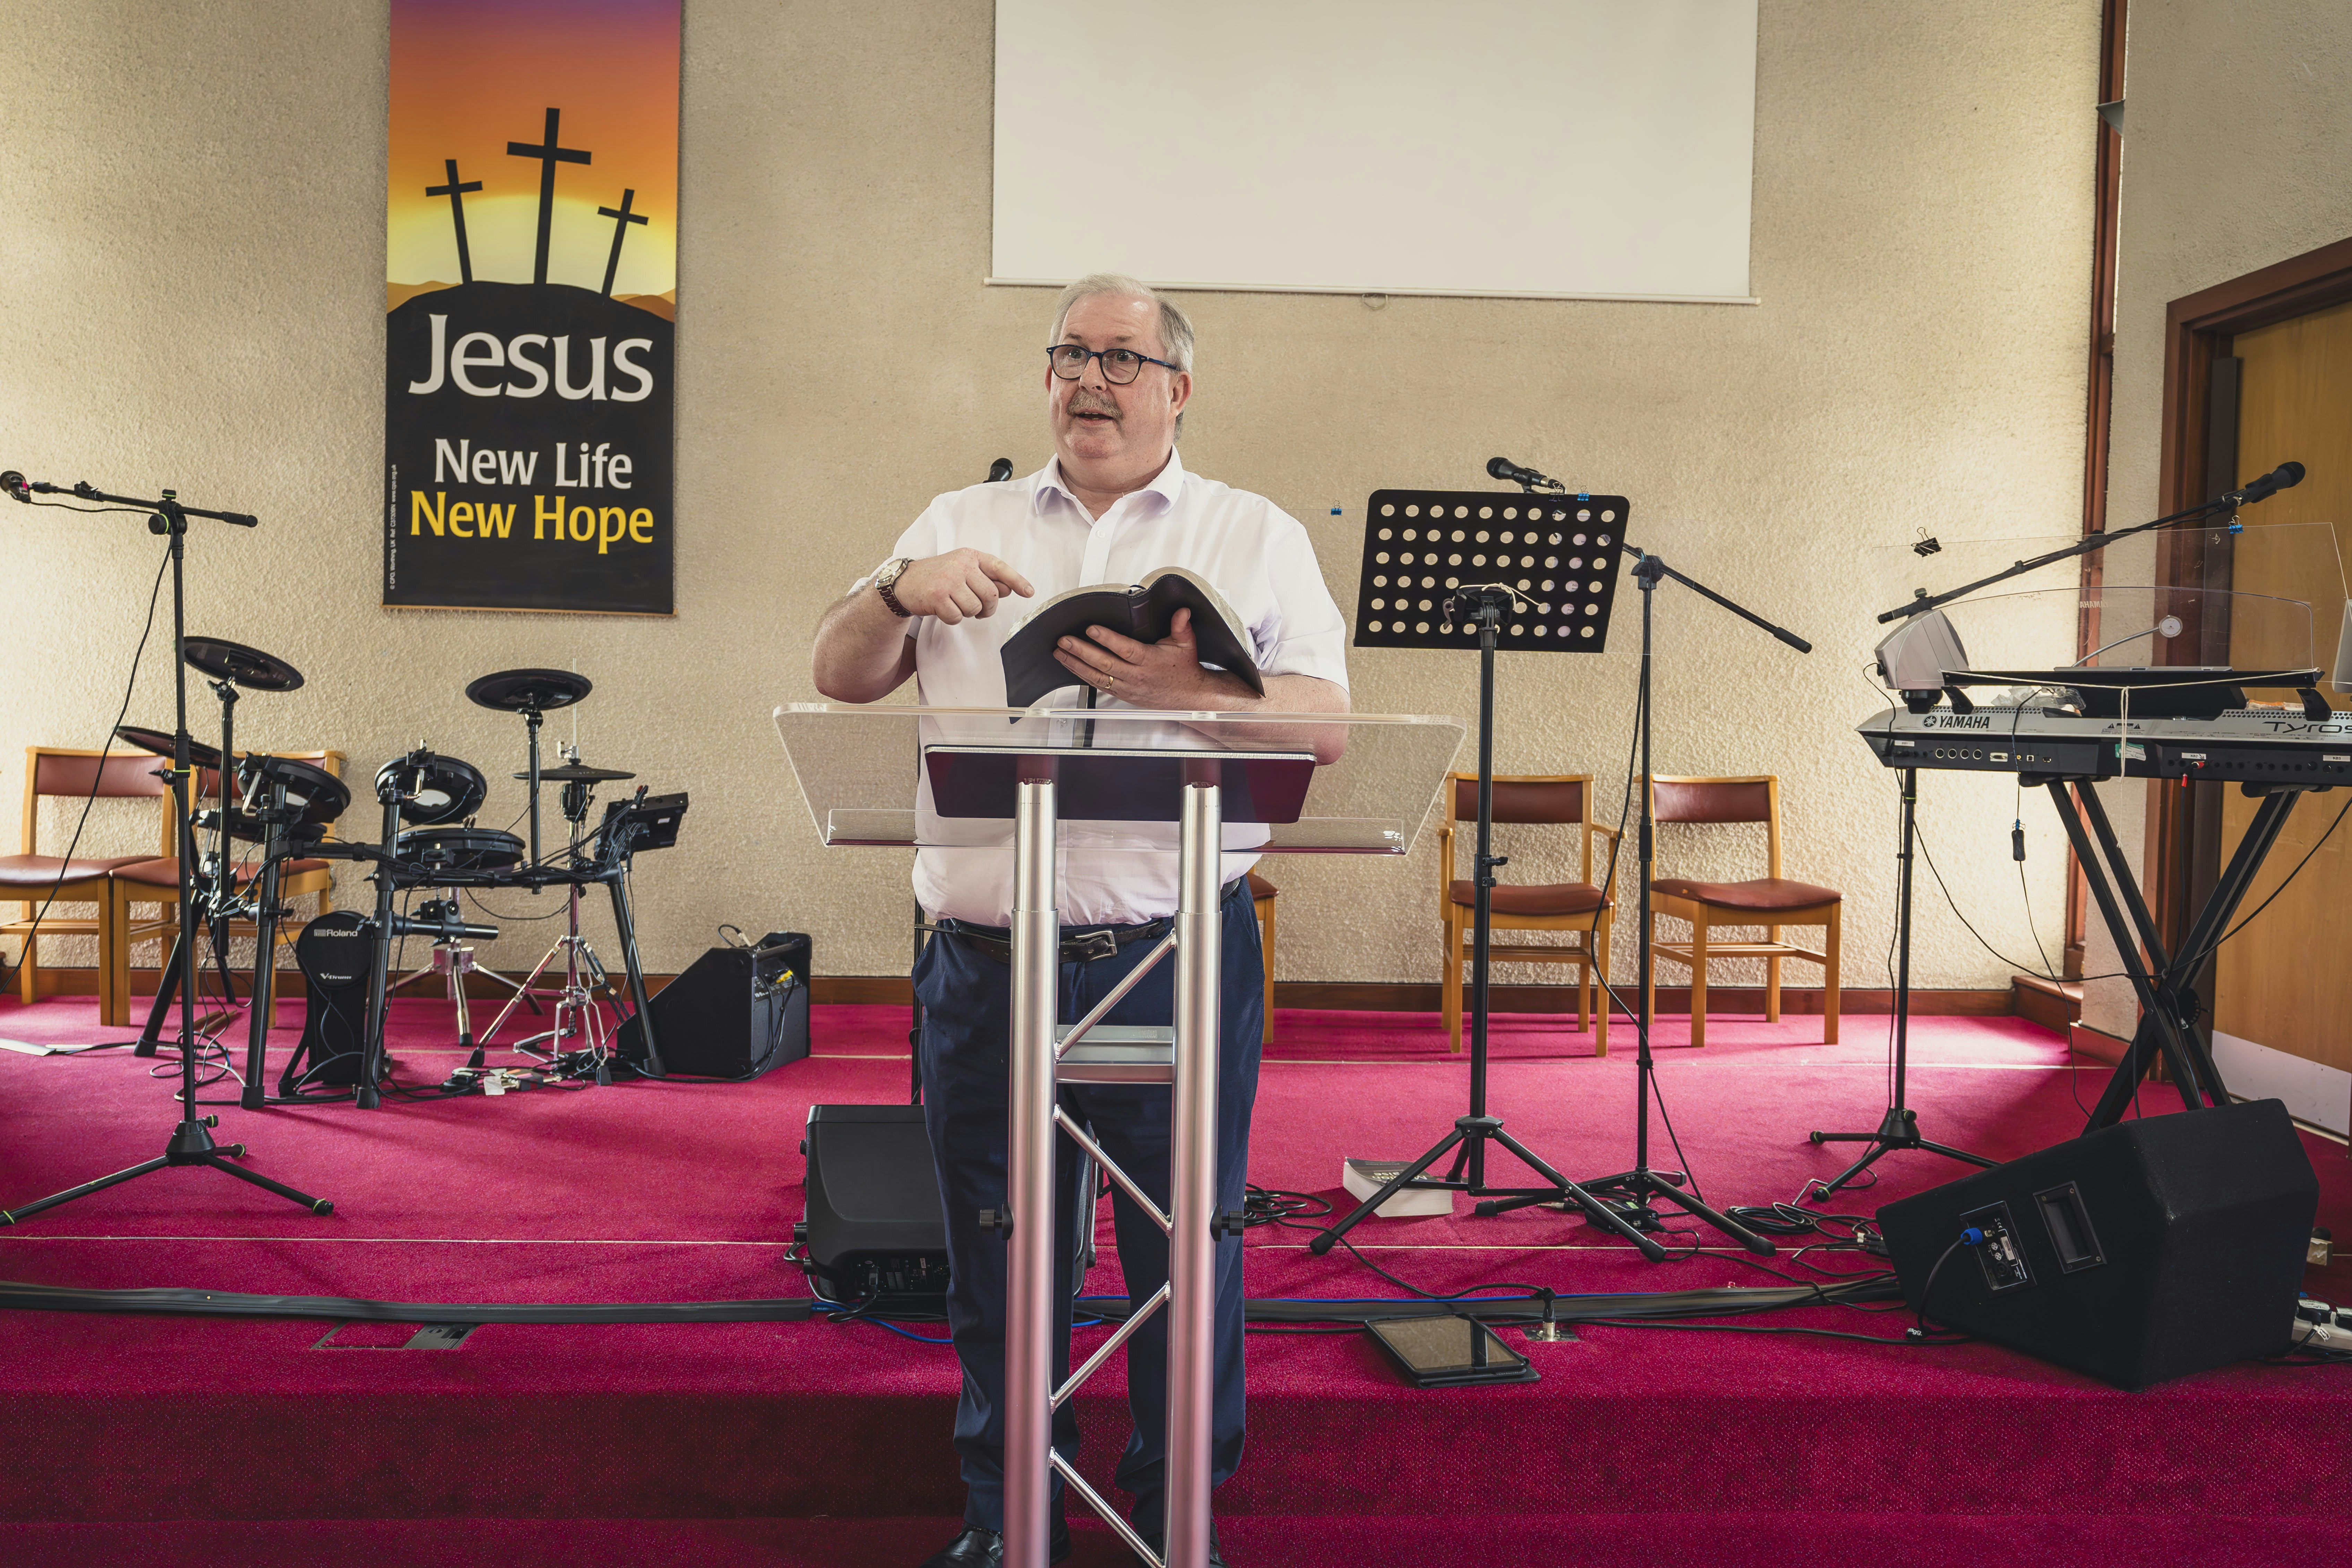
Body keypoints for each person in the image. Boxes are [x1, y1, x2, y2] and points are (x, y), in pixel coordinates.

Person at [811, 274, 1349, 1568]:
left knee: (1187, 1245)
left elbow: (1328, 723)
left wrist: (1192, 688)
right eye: (1070, 355)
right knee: (998, 1252)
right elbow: (836, 672)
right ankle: (1008, 1516)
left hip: (1172, 957)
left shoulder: (1254, 531)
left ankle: (1177, 1516)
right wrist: (896, 589)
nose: (1090, 380)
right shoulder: (961, 521)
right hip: (988, 967)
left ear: (1178, 386)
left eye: (1121, 357)